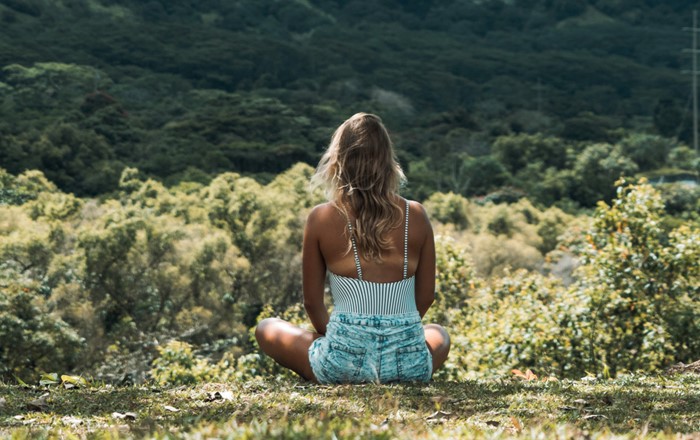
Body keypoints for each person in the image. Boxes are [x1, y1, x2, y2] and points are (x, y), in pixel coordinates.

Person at [255, 113, 450, 383]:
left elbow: (312, 302)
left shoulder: (321, 217)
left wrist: (347, 341)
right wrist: (396, 332)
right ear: (387, 161)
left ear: (339, 160)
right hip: (409, 364)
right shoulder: (416, 214)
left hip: (342, 364)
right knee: (439, 333)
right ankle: (396, 370)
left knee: (267, 327)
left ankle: (335, 369)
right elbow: (426, 296)